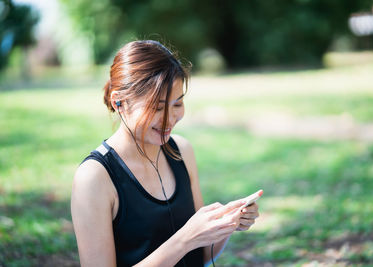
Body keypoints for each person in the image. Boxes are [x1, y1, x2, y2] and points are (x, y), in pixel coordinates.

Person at [70, 40, 260, 267]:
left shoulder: (182, 152)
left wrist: (226, 226)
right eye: (157, 108)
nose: (170, 119)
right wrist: (185, 239)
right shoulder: (94, 177)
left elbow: (200, 256)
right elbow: (187, 241)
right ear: (119, 102)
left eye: (177, 104)